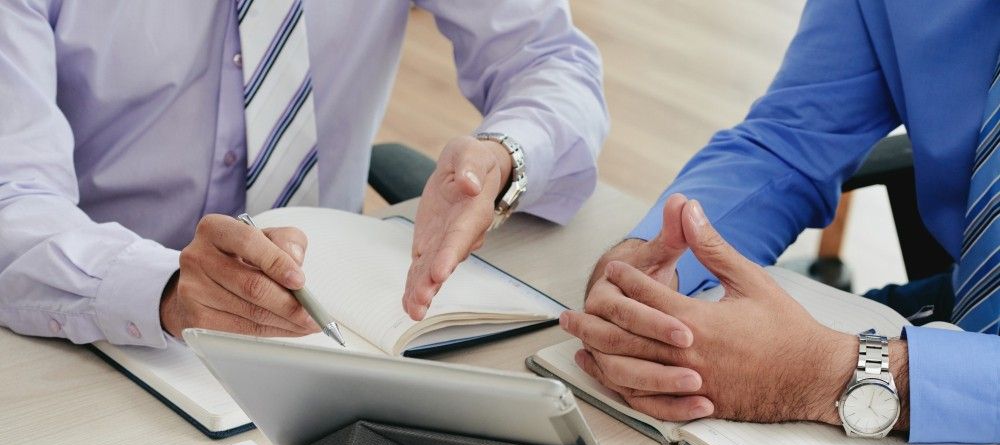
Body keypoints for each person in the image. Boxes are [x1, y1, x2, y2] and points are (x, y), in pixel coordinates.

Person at [0, 1, 607, 346]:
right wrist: (165, 288)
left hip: (337, 316)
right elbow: (12, 196)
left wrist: (507, 154)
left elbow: (550, 58)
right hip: (98, 321)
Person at [560, 0, 999, 444]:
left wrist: (835, 372)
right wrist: (653, 263)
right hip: (964, 303)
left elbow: (822, 370)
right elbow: (790, 142)